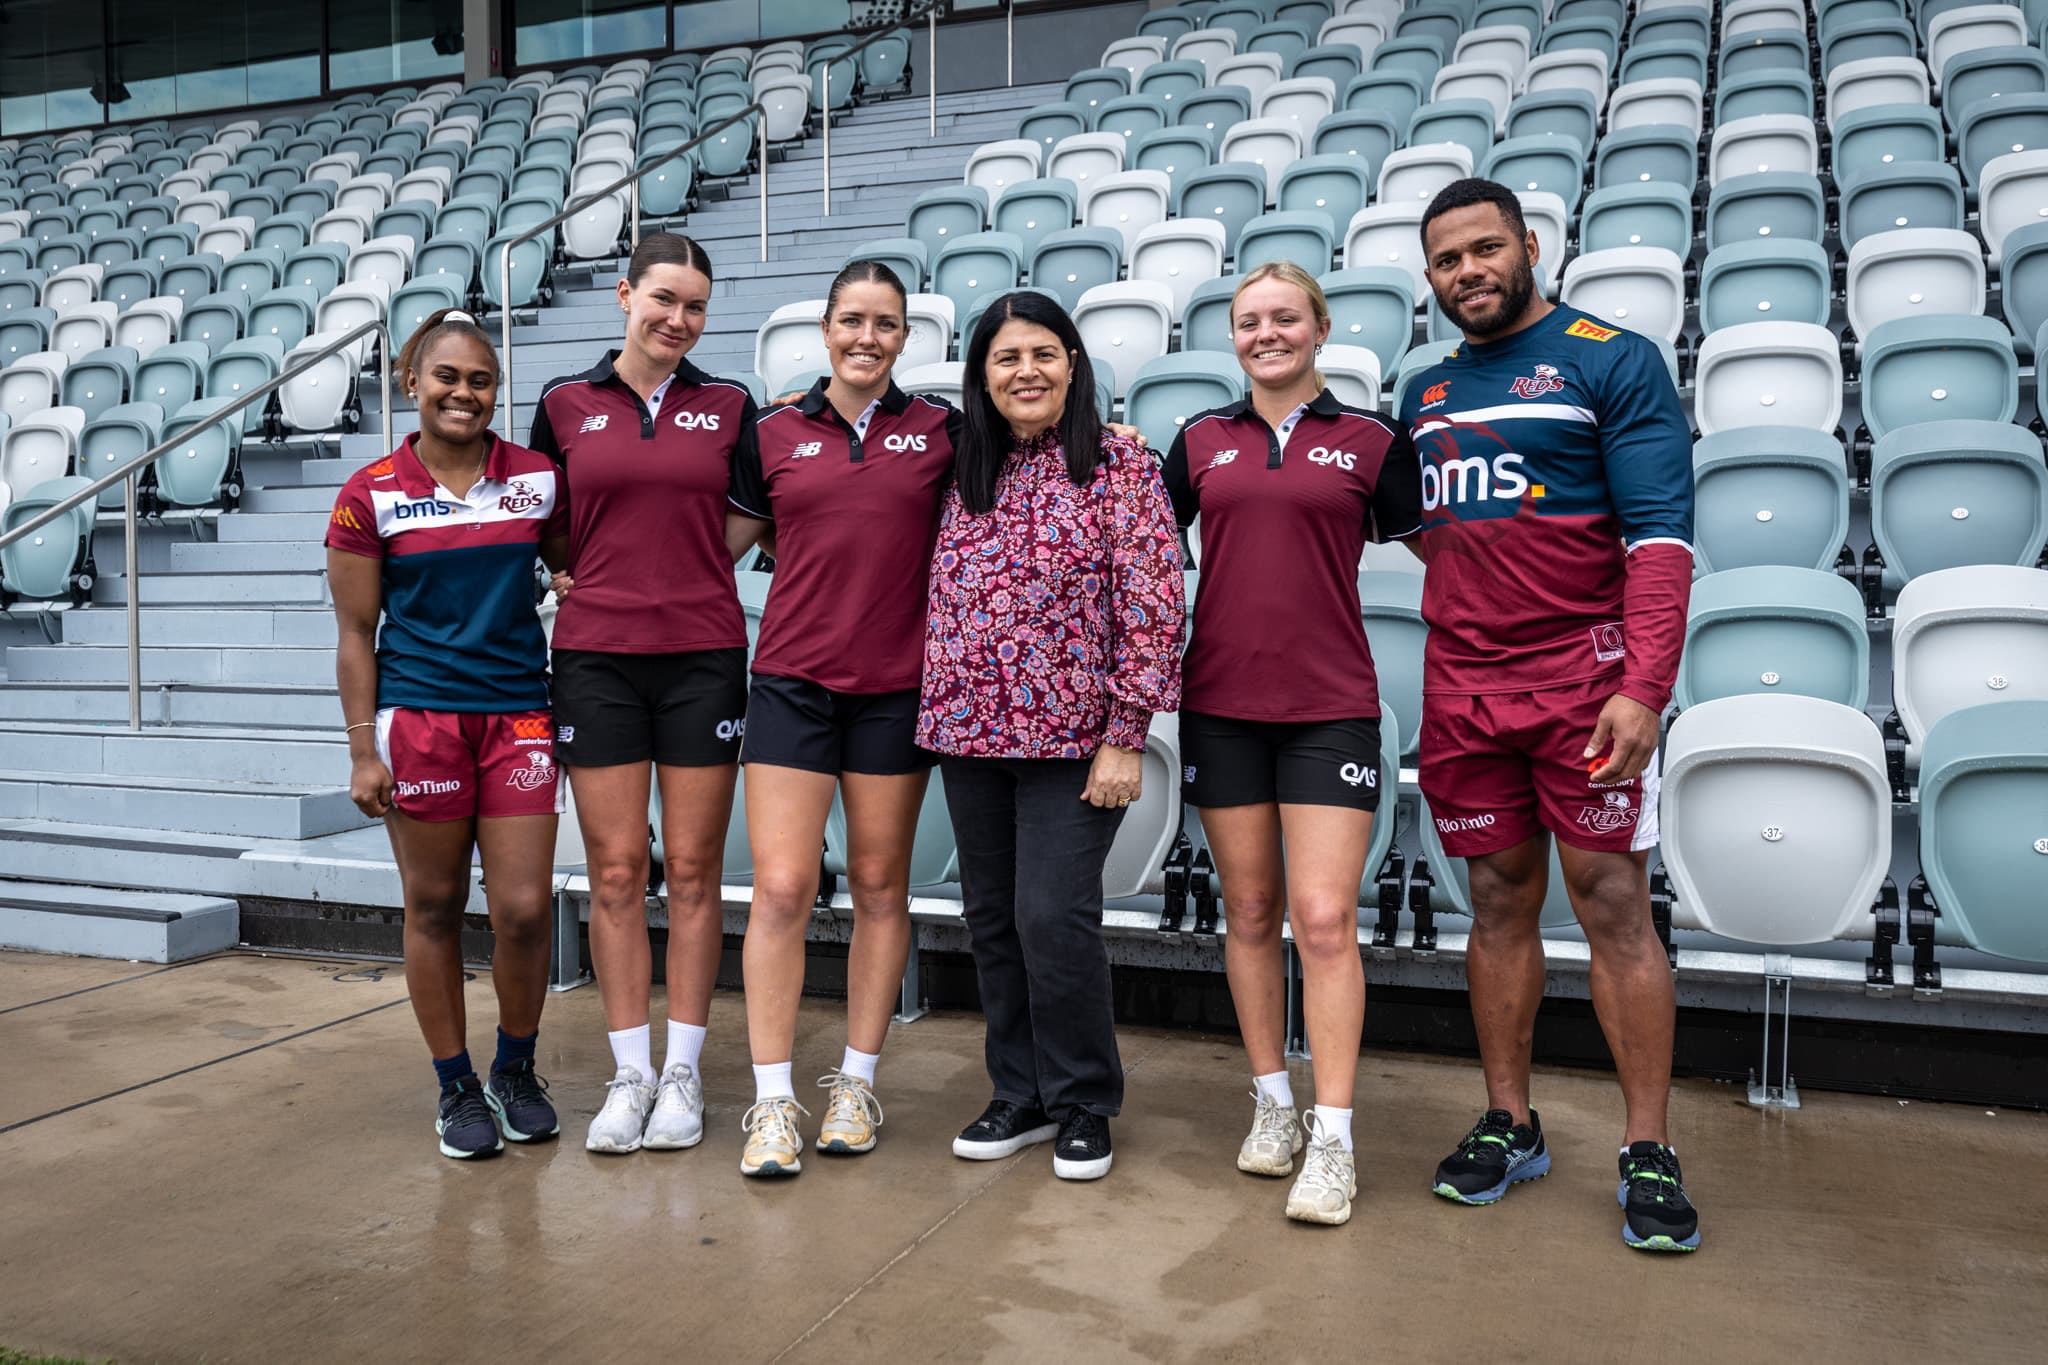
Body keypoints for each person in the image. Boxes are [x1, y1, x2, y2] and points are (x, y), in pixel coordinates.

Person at [1398, 179, 1699, 1251]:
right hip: (1463, 688)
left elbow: (1659, 537)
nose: (1468, 271)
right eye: (1446, 260)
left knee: (1611, 897)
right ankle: (1508, 1122)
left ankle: (1645, 1146)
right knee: (1493, 897)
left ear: (1526, 246)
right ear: (1428, 277)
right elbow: (1424, 530)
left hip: (1585, 682)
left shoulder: (1608, 359)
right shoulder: (1423, 394)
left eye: (1484, 249)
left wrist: (1642, 686)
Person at [1161, 262, 1422, 1225]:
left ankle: (1335, 1138)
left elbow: (1454, 558)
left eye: (1283, 318)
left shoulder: (1371, 441)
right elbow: (1142, 552)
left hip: (1331, 708)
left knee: (1321, 919)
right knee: (1250, 907)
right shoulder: (1197, 443)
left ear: (1319, 327)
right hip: (1221, 705)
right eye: (1246, 321)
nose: (1264, 333)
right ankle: (1273, 1104)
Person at [920, 289, 1185, 1182]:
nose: (1025, 370)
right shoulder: (962, 467)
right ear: (981, 376)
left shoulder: (1119, 465)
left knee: (1052, 915)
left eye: (1043, 353)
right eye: (1005, 357)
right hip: (969, 729)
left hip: (1077, 738)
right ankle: (1019, 1092)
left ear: (1073, 364)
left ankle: (1082, 1099)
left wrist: (1126, 732)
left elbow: (1154, 604)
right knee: (993, 918)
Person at [723, 261, 962, 1178]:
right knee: (782, 888)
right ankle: (775, 1099)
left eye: (887, 324)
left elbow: (1035, 462)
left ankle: (857, 1083)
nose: (868, 338)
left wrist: (1114, 435)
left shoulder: (942, 430)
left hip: (896, 692)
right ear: (824, 329)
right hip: (790, 683)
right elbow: (717, 551)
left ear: (909, 338)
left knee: (877, 886)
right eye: (852, 321)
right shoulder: (774, 429)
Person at [527, 232, 764, 1155]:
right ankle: (629, 1074)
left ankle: (683, 1076)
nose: (678, 319)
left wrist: (697, 562)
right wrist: (569, 572)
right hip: (596, 658)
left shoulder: (732, 404)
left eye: (695, 307)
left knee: (697, 872)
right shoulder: (562, 404)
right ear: (625, 294)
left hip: (703, 655)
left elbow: (753, 509)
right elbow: (541, 514)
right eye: (663, 299)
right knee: (618, 870)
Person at [327, 308, 569, 1160]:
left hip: (519, 714)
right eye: (447, 377)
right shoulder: (369, 495)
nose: (464, 393)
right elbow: (356, 632)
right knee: (433, 905)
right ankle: (455, 1087)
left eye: (480, 380)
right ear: (412, 383)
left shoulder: (538, 478)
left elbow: (574, 566)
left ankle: (515, 1068)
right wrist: (363, 748)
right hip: (420, 716)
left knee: (524, 909)